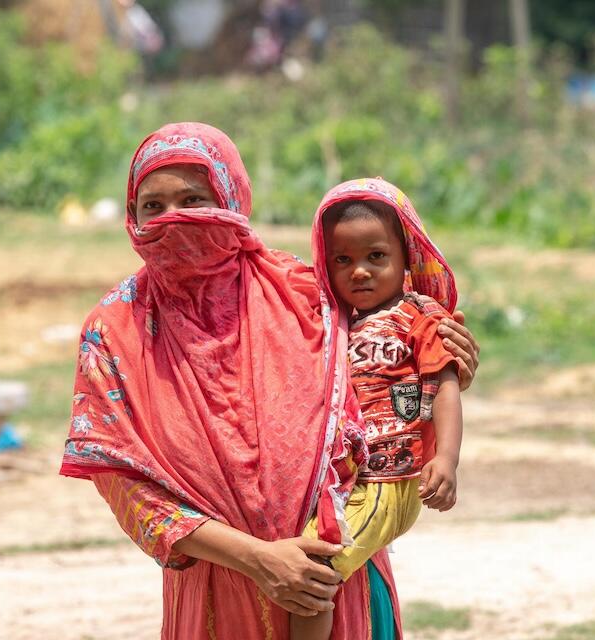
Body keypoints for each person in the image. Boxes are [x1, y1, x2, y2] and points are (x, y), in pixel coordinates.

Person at [59, 123, 480, 639]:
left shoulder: (308, 293)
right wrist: (259, 559)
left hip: (330, 580)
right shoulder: (115, 331)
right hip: (216, 595)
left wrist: (451, 362)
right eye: (154, 206)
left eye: (195, 199)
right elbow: (125, 484)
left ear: (232, 198)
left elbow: (392, 362)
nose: (175, 221)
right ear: (132, 215)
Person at [292, 179, 463, 639]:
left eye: (376, 257)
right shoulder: (335, 321)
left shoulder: (418, 317)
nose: (360, 272)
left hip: (389, 481)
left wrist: (445, 458)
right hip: (355, 479)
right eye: (342, 260)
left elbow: (445, 385)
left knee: (311, 569)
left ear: (405, 258)